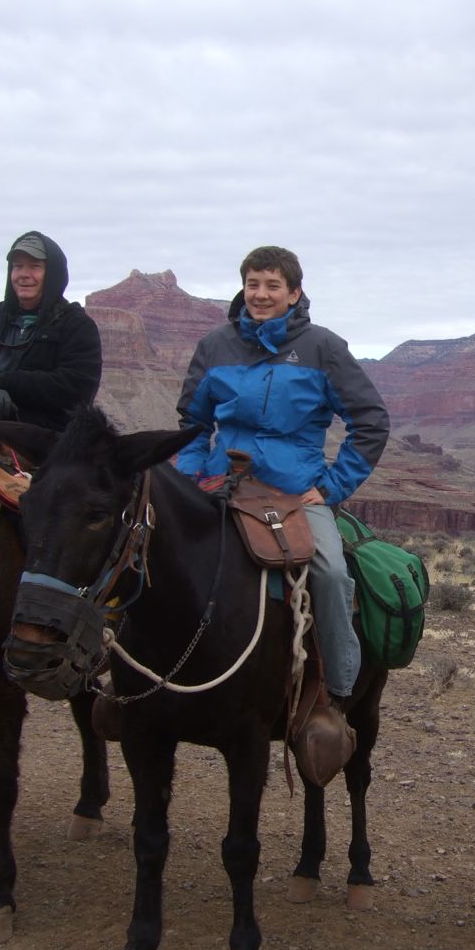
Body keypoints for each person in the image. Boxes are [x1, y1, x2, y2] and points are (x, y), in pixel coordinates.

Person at [174, 245, 390, 708]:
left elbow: (370, 421)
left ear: (294, 293)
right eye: (253, 284)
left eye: (273, 285)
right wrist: (188, 478)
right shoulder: (215, 345)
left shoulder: (322, 348)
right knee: (154, 545)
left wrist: (331, 488)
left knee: (330, 573)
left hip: (293, 491)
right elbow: (192, 424)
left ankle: (335, 691)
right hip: (220, 482)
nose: (261, 294)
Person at [0, 231, 102, 430]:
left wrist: (0, 381)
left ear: (53, 274)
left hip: (44, 439)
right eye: (17, 266)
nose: (24, 275)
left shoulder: (76, 326)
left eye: (34, 266)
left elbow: (75, 387)